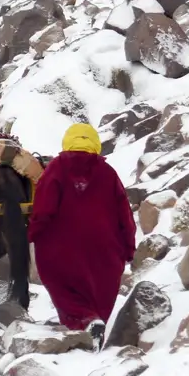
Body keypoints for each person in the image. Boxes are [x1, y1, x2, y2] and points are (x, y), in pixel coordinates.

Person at [27, 123, 136, 344]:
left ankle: (85, 322)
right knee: (100, 286)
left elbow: (43, 209)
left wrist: (31, 234)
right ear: (95, 144)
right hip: (104, 249)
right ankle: (94, 325)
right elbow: (125, 215)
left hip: (60, 249)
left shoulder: (56, 168)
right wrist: (129, 247)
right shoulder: (108, 173)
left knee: (61, 283)